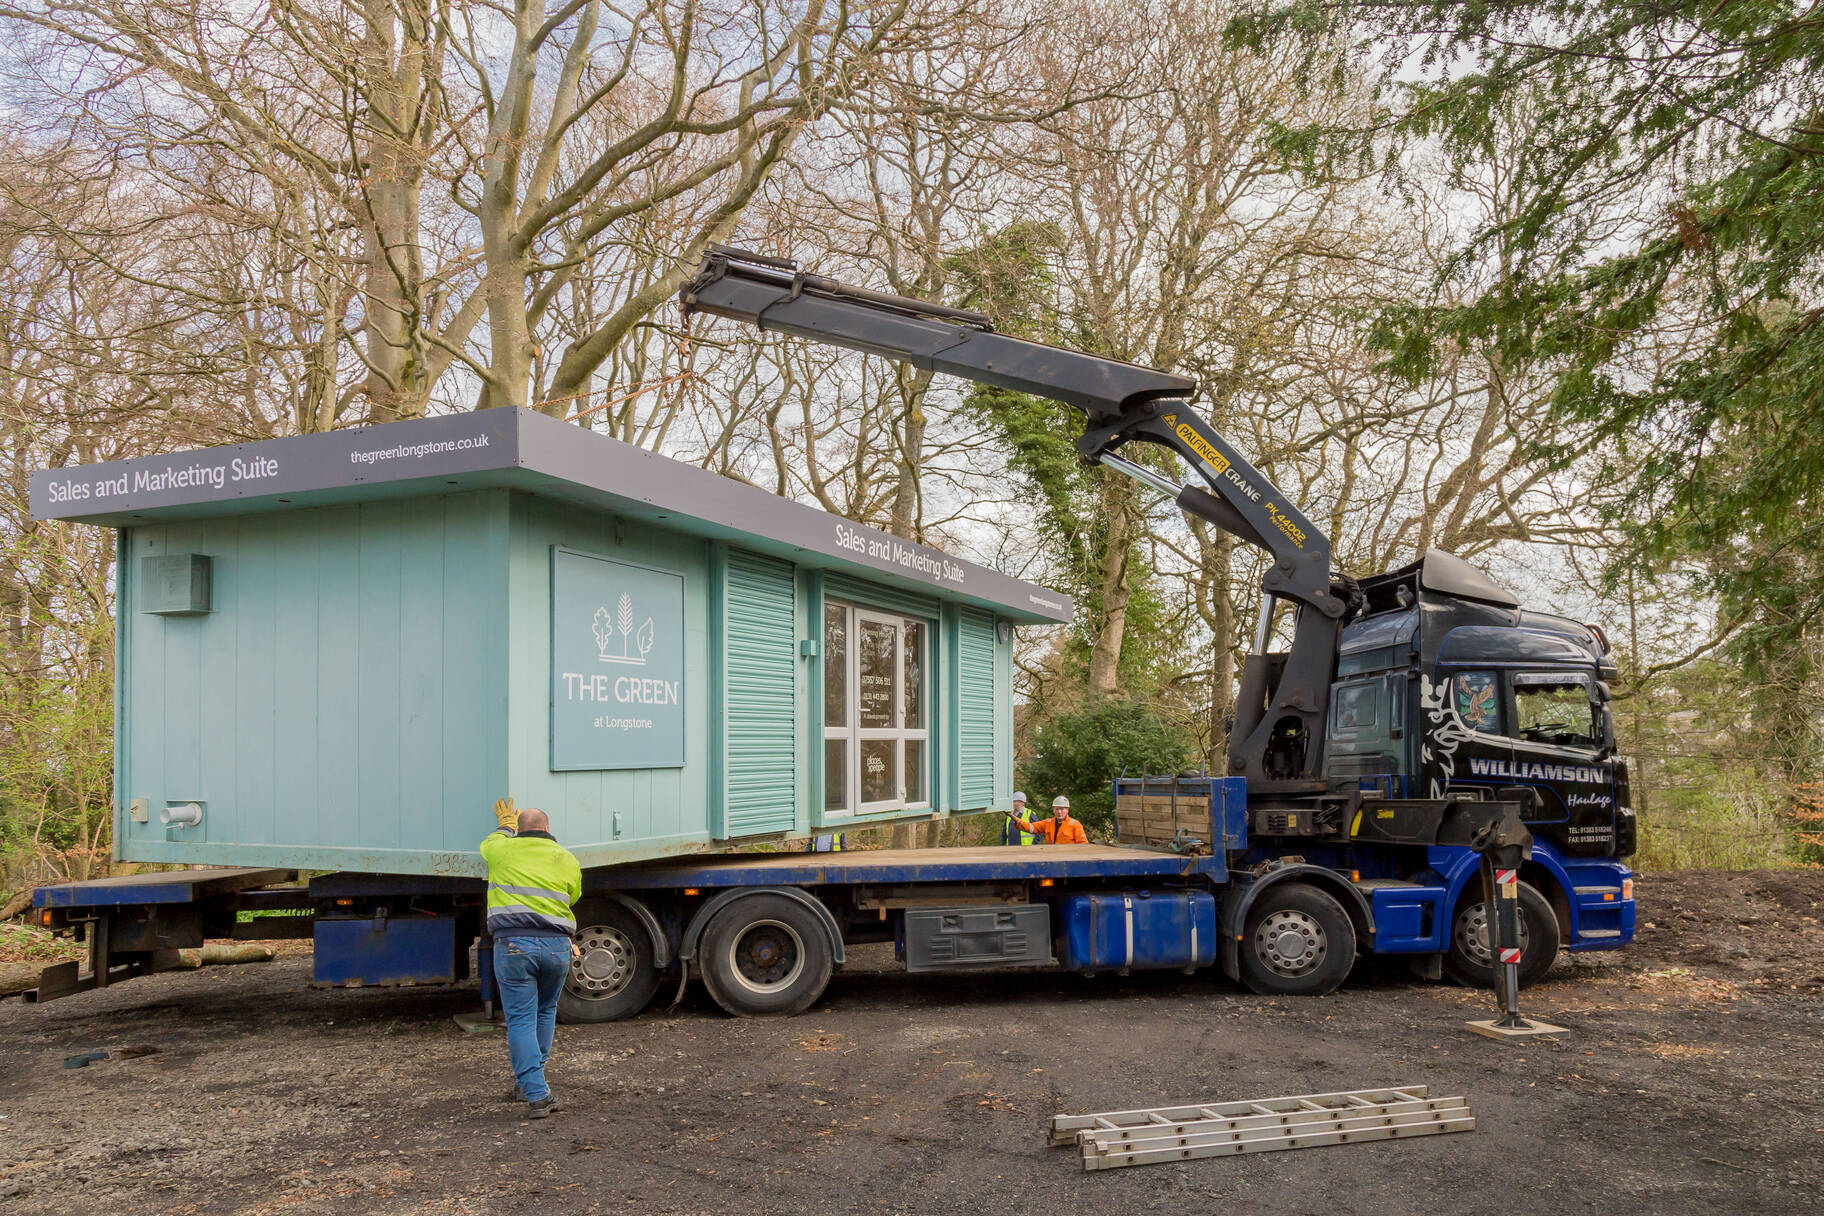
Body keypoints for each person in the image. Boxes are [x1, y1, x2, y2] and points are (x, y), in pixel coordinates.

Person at [481, 796, 583, 1120]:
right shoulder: (566, 858)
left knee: (521, 1019)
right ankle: (529, 1083)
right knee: (545, 1010)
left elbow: (490, 842)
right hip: (556, 946)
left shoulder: (500, 850)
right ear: (548, 828)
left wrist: (505, 825)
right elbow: (575, 895)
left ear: (518, 830)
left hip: (514, 946)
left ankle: (537, 1094)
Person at [1007, 794, 1089, 845]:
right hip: (1051, 858)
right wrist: (1013, 817)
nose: (1059, 812)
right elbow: (1030, 827)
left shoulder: (1075, 824)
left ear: (1067, 810)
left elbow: (1083, 845)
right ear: (1053, 810)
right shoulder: (1048, 823)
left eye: (1062, 809)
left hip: (1068, 860)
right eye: (1057, 809)